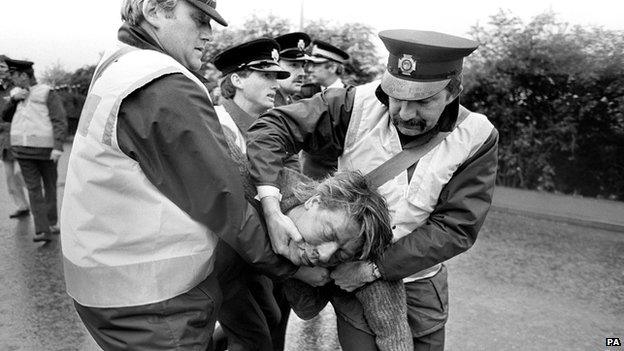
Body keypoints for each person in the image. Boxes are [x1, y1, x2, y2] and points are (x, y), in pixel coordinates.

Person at [60, 1, 300, 350]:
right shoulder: (162, 83)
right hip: (153, 303)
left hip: (115, 289)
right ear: (155, 10)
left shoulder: (120, 62)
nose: (208, 33)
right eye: (200, 19)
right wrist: (295, 266)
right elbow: (223, 201)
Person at [245, 29, 499, 350]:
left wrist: (375, 268)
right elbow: (273, 128)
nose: (405, 113)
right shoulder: (354, 104)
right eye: (397, 97)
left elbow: (457, 227)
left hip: (417, 283)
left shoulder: (477, 136)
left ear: (452, 92)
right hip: (349, 281)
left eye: (422, 102)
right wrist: (270, 203)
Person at [210, 38, 295, 351]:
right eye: (266, 76)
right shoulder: (217, 125)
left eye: (276, 77)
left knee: (270, 317)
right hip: (222, 253)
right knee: (255, 337)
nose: (275, 83)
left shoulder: (269, 126)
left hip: (250, 253)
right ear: (237, 80)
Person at [2, 59, 66, 243]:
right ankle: (42, 229)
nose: (12, 79)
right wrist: (13, 101)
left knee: (50, 187)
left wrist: (58, 146)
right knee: (33, 189)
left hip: (47, 152)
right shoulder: (15, 95)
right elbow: (5, 117)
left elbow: (59, 120)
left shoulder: (47, 92)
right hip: (22, 151)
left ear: (24, 75)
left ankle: (52, 221)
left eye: (14, 75)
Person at [0, 55, 29, 220]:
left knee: (22, 173)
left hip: (19, 135)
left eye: (3, 67)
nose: (0, 71)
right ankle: (22, 205)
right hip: (4, 139)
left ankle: (41, 201)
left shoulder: (17, 86)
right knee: (9, 177)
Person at [273, 32, 312, 107]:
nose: (302, 73)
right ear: (275, 68)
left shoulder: (291, 103)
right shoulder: (268, 109)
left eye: (303, 66)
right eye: (294, 65)